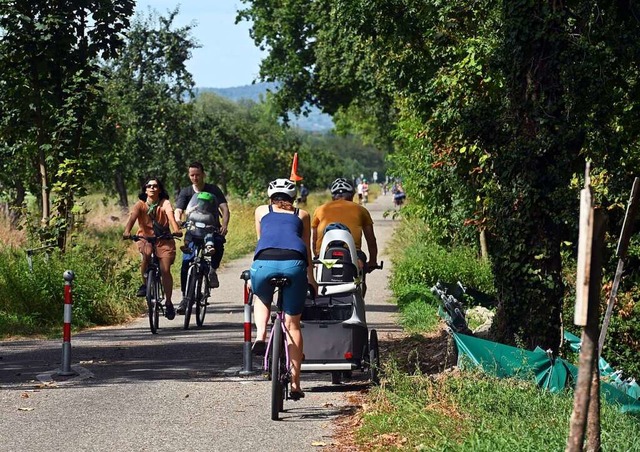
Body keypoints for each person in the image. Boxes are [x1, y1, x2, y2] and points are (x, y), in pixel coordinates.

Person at [250, 178, 317, 400]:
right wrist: (312, 279)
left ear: (270, 197)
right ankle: (296, 382)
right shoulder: (302, 215)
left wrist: (254, 271)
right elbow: (306, 248)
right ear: (293, 197)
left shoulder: (261, 211)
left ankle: (261, 335)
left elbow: (261, 241)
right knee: (292, 324)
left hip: (264, 262)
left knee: (261, 296)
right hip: (295, 263)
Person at [174, 161, 230, 315]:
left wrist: (224, 225)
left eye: (198, 174)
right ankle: (185, 298)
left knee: (218, 243)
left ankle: (212, 269)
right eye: (192, 175)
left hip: (211, 228)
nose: (195, 178)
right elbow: (178, 209)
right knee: (186, 262)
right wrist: (178, 220)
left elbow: (224, 209)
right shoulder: (185, 192)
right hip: (192, 230)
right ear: (189, 176)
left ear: (203, 174)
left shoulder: (213, 189)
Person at [123, 178, 183, 320]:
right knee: (147, 254)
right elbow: (132, 218)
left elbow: (171, 216)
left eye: (155, 186)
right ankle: (145, 284)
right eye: (149, 186)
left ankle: (168, 302)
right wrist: (127, 231)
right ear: (145, 190)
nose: (152, 188)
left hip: (164, 239)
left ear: (160, 190)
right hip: (146, 238)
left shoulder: (165, 203)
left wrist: (176, 229)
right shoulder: (140, 205)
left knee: (165, 269)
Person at [311, 178, 378, 272]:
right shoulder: (361, 210)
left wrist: (317, 255)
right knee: (360, 279)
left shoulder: (320, 210)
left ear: (333, 196)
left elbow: (314, 240)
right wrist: (373, 262)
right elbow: (371, 240)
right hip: (353, 255)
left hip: (325, 255)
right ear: (352, 195)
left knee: (320, 279)